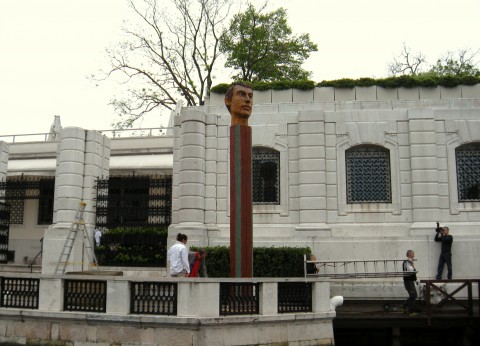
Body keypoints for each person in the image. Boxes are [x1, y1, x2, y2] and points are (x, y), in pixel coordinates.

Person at [402, 249, 418, 316]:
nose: (414, 255)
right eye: (413, 254)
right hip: (408, 281)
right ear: (409, 254)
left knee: (413, 295)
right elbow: (411, 270)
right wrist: (413, 266)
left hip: (410, 281)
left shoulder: (409, 262)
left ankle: (407, 307)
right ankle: (409, 309)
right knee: (413, 295)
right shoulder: (407, 262)